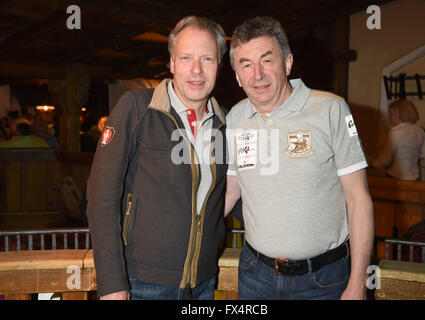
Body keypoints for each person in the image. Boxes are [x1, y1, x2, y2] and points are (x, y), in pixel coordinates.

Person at [224, 17, 374, 300]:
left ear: (288, 63)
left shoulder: (331, 110)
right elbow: (231, 190)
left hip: (323, 280)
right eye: (246, 64)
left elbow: (359, 200)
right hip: (255, 275)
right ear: (237, 76)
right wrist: (188, 229)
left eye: (267, 60)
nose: (257, 74)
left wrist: (358, 283)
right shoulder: (236, 117)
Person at [86, 16, 230, 300]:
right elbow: (101, 196)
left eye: (208, 59)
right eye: (186, 58)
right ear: (172, 64)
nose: (197, 70)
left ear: (219, 66)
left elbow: (230, 195)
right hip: (142, 283)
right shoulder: (137, 108)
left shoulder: (225, 123)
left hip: (203, 283)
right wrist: (112, 282)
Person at [370, 99, 425, 181]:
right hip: (415, 178)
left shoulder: (395, 132)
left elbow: (385, 160)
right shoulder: (420, 130)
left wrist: (371, 164)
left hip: (396, 178)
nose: (389, 117)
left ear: (399, 114)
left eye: (391, 114)